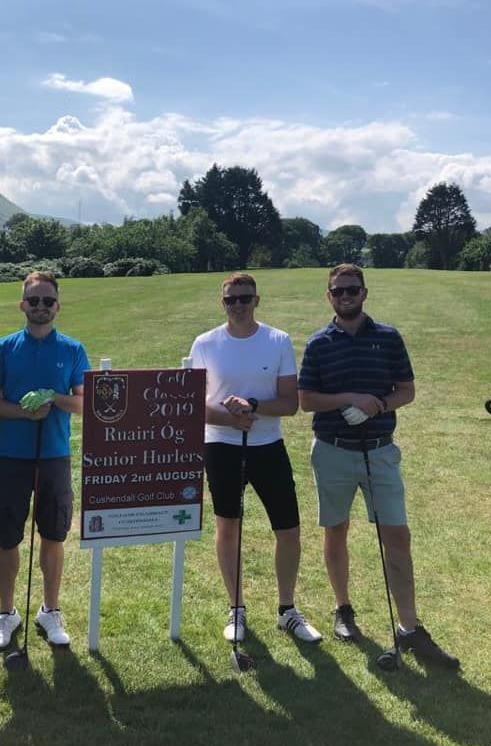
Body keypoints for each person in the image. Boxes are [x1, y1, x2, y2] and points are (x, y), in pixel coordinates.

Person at [298, 263, 459, 668]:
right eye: (338, 291)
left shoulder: (388, 337)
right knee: (336, 529)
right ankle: (343, 610)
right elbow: (306, 399)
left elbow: (407, 390)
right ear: (329, 296)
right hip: (332, 450)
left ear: (364, 293)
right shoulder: (319, 343)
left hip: (380, 450)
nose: (345, 296)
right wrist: (349, 399)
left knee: (397, 535)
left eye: (352, 289)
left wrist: (380, 405)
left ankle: (409, 627)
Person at [189, 272, 321, 646]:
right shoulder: (205, 343)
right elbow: (194, 404)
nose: (238, 305)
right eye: (231, 299)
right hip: (221, 446)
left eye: (245, 298)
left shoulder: (277, 340)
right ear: (223, 303)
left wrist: (253, 407)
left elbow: (290, 403)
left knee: (288, 529)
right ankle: (236, 608)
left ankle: (287, 610)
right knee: (228, 526)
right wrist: (230, 419)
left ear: (256, 301)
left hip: (267, 445)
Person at [0, 271, 89, 649]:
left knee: (54, 534)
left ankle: (50, 611)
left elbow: (84, 402)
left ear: (57, 306)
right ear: (22, 305)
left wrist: (54, 398)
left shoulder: (72, 349)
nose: (41, 306)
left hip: (54, 455)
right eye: (34, 300)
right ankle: (7, 613)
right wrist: (23, 412)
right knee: (7, 535)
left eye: (48, 301)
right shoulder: (4, 347)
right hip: (13, 456)